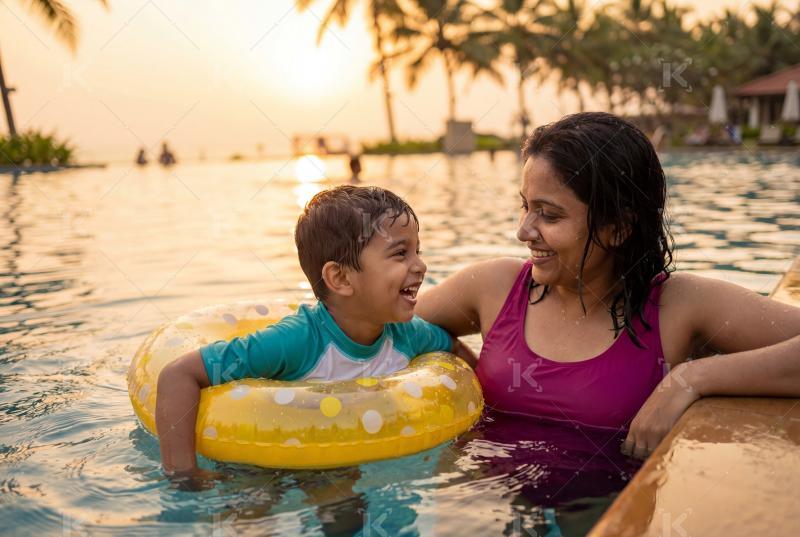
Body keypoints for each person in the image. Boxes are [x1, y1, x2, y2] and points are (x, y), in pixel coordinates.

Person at [416, 112, 800, 460]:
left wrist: (690, 379)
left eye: (549, 215)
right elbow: (390, 323)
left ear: (618, 228)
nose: (524, 231)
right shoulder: (494, 287)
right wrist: (457, 356)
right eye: (525, 206)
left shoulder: (679, 305)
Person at [156, 186, 475, 481]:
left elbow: (454, 349)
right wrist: (184, 475)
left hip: (362, 459)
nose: (421, 266)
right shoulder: (295, 341)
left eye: (418, 251)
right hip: (278, 462)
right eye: (401, 254)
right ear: (341, 278)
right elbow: (178, 375)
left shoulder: (408, 334)